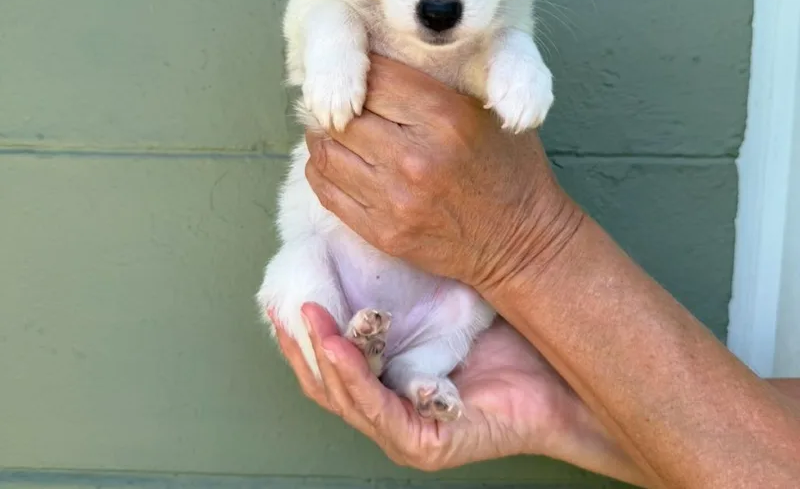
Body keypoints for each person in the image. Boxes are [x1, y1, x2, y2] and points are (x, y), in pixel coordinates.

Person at [271, 56, 800, 488]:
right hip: (348, 269)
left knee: (465, 308)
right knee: (305, 278)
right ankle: (403, 365)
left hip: (434, 307)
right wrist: (556, 399)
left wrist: (528, 243)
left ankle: (413, 368)